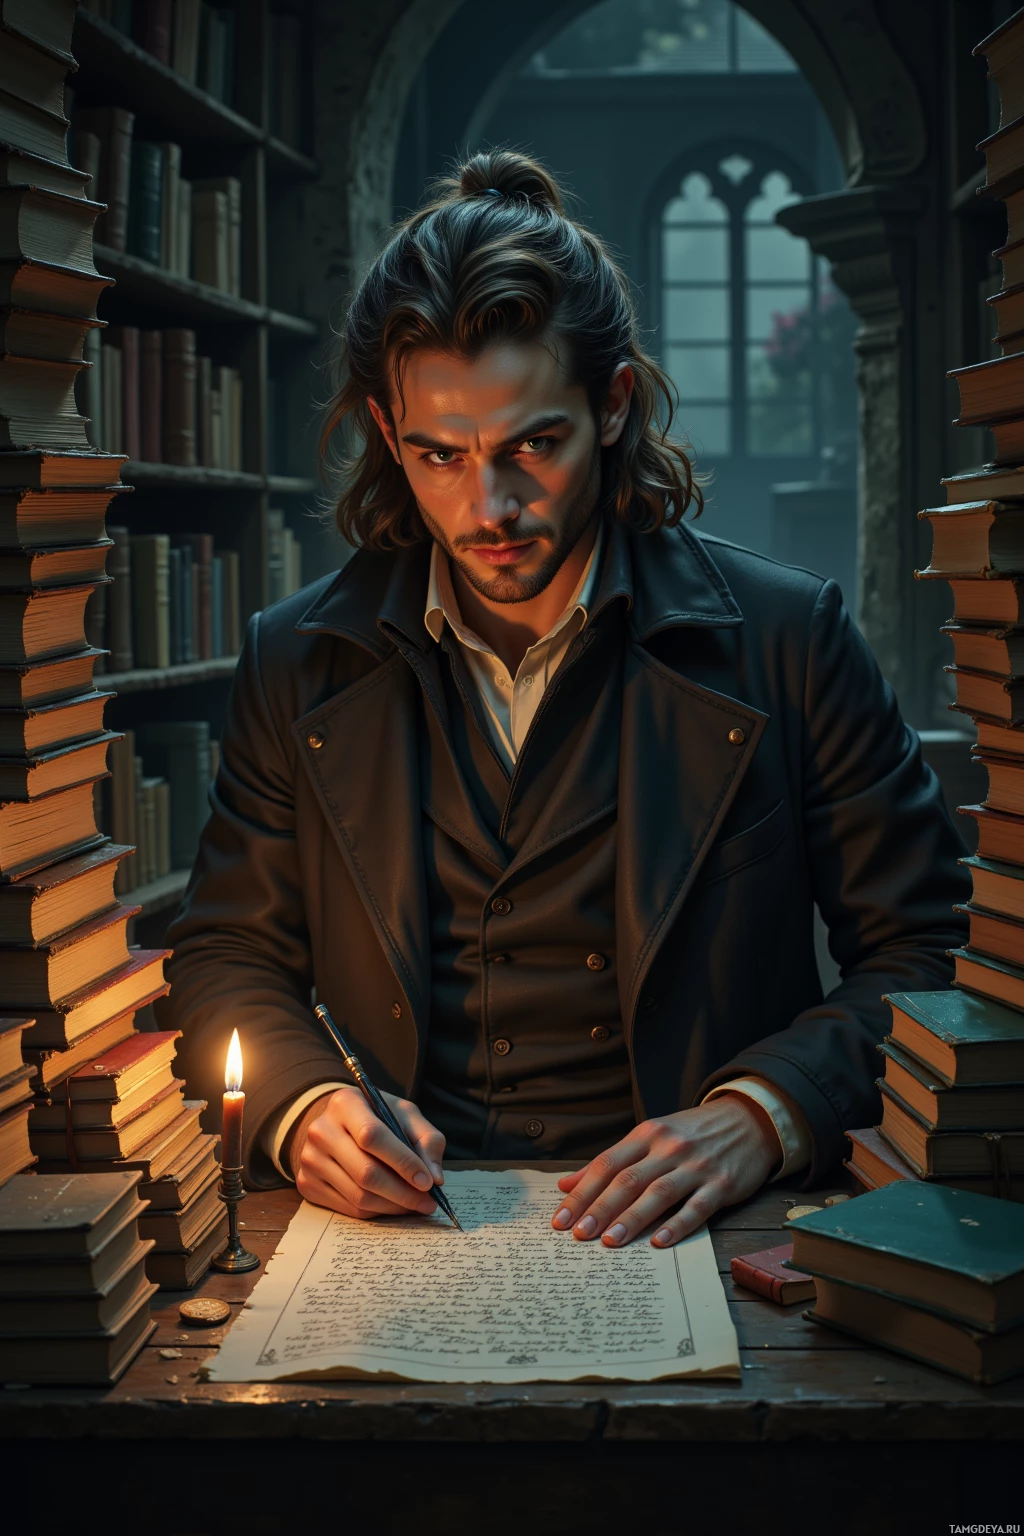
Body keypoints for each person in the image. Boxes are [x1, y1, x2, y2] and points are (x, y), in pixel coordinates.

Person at [163, 149, 968, 1251]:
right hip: (400, 1236)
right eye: (440, 456)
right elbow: (226, 958)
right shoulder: (294, 660)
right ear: (390, 439)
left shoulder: (788, 639)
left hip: (705, 1234)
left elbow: (932, 953)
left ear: (612, 404)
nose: (488, 507)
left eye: (532, 444)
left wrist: (763, 1114)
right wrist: (307, 1108)